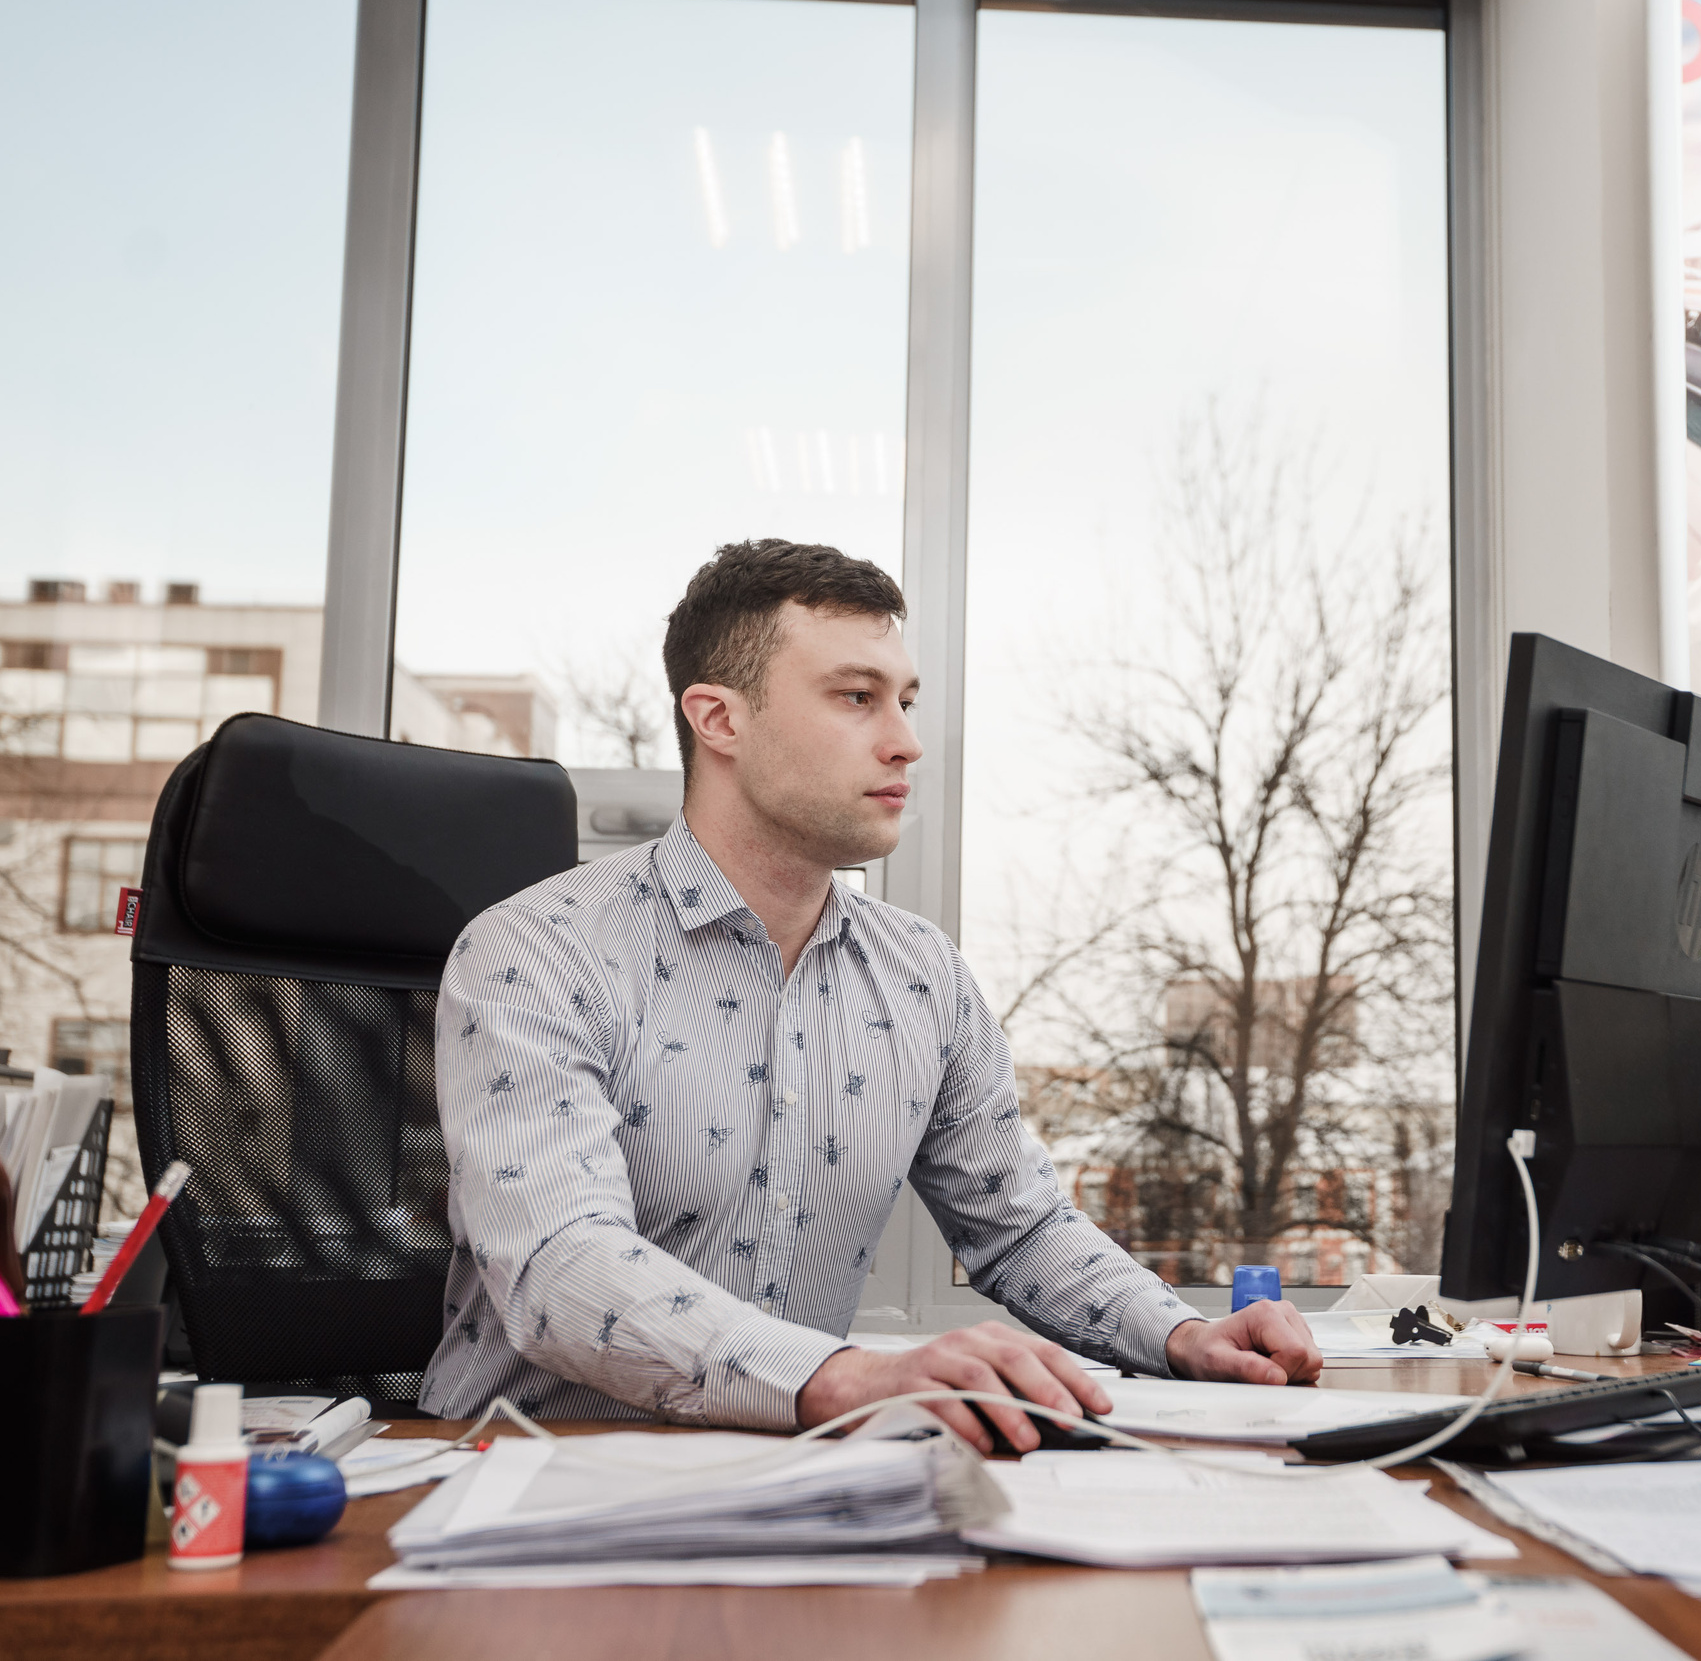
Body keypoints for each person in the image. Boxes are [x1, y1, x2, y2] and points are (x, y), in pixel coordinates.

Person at [420, 539, 1321, 1447]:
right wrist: (848, 1376)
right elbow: (560, 1265)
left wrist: (1183, 1334)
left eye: (905, 699)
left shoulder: (923, 975)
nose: (906, 740)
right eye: (858, 697)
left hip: (793, 1485)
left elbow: (1020, 1225)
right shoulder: (537, 951)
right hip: (530, 1486)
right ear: (719, 719)